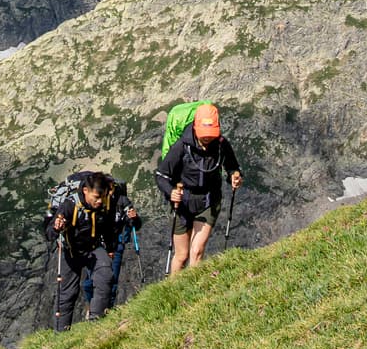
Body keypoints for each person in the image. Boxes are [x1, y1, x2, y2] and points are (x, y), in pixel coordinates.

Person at [155, 103, 242, 274]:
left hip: (209, 201)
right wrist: (170, 192)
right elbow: (162, 175)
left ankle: (192, 295)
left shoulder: (222, 144)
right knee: (181, 255)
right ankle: (172, 293)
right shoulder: (182, 146)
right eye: (204, 135)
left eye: (211, 134)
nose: (207, 138)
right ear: (195, 126)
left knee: (197, 251)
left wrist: (235, 176)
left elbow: (233, 166)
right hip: (183, 203)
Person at [49, 170, 137, 329]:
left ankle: (96, 323)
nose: (99, 201)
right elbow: (48, 233)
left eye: (102, 197)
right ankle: (60, 334)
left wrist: (110, 248)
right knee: (68, 294)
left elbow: (109, 228)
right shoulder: (70, 205)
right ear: (85, 191)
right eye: (96, 197)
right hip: (71, 251)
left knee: (105, 275)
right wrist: (56, 228)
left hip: (93, 248)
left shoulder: (103, 205)